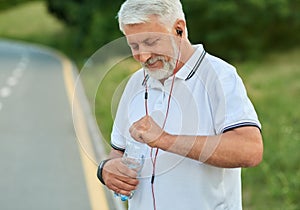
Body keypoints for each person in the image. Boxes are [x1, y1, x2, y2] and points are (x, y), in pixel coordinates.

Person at [97, 0, 263, 209]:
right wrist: (106, 169)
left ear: (179, 29)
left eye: (151, 42)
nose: (143, 56)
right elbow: (118, 153)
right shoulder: (134, 84)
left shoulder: (219, 76)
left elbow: (249, 150)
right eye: (134, 46)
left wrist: (165, 140)